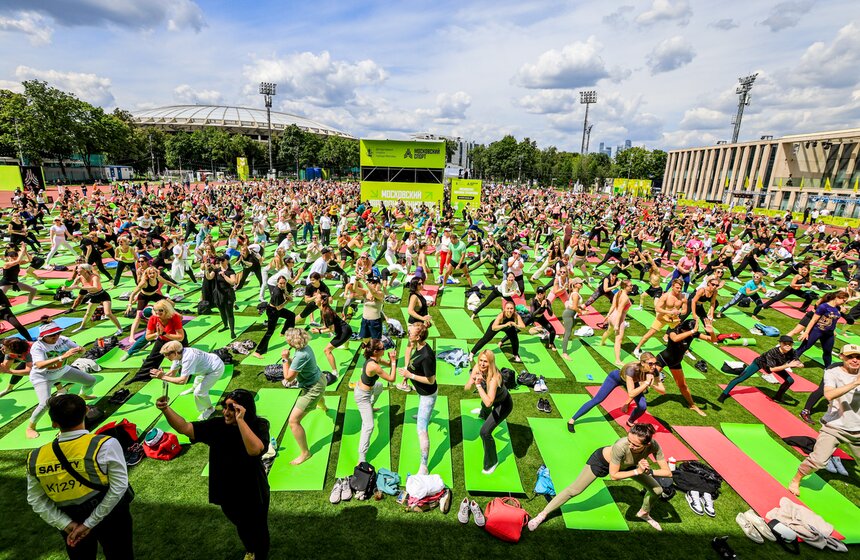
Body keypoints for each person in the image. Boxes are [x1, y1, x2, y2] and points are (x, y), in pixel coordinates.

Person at [157, 389, 270, 560]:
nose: (226, 412)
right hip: (226, 489)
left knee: (258, 527)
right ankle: (251, 550)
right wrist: (165, 409)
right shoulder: (217, 426)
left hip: (253, 488)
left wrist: (240, 420)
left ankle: (260, 555)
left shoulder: (259, 425)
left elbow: (254, 450)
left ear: (244, 409)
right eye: (225, 407)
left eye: (232, 408)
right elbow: (185, 428)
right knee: (242, 525)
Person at [26, 394, 134, 559]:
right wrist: (89, 523)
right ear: (87, 411)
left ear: (54, 423)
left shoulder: (35, 457)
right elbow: (119, 487)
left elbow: (36, 499)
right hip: (111, 514)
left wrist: (66, 524)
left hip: (69, 519)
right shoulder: (105, 444)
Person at [528, 423, 671, 532]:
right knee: (574, 490)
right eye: (629, 440)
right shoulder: (621, 446)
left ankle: (644, 513)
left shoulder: (653, 446)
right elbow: (614, 475)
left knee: (657, 490)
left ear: (647, 444)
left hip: (630, 466)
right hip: (601, 463)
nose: (630, 445)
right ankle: (542, 515)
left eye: (635, 445)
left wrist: (649, 471)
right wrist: (638, 471)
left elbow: (667, 472)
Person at [788, 344, 860, 496]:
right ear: (842, 357)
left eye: (858, 357)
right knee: (818, 461)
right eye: (850, 357)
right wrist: (855, 383)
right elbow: (828, 395)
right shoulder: (832, 372)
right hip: (834, 427)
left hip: (857, 429)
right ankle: (796, 479)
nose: (855, 360)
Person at [26, 321, 93, 439]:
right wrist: (63, 356)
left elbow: (82, 350)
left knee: (90, 380)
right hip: (43, 377)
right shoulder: (38, 346)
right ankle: (30, 427)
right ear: (43, 336)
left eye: (58, 333)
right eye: (52, 335)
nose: (56, 336)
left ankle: (82, 395)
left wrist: (81, 350)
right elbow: (40, 365)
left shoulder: (63, 339)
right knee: (45, 404)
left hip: (62, 371)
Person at [566, 354, 664, 433]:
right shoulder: (632, 369)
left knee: (642, 406)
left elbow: (663, 391)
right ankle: (572, 420)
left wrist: (652, 384)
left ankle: (630, 421)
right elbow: (631, 393)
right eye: (650, 364)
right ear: (642, 363)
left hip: (633, 382)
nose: (654, 366)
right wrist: (646, 383)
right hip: (615, 378)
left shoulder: (653, 371)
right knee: (598, 399)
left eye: (655, 363)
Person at [282, 328, 328, 465]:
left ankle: (305, 453)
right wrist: (290, 360)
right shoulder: (306, 348)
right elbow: (298, 364)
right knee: (319, 397)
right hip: (320, 379)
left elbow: (288, 378)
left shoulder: (301, 355)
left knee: (293, 421)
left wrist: (285, 360)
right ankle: (324, 407)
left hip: (313, 388)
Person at [464, 350, 513, 475]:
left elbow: (488, 402)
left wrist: (478, 385)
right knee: (484, 405)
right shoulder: (478, 367)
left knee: (484, 432)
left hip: (503, 404)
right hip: (492, 399)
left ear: (491, 363)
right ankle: (483, 415)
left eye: (485, 361)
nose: (482, 364)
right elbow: (467, 388)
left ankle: (492, 462)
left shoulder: (494, 378)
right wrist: (472, 379)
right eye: (480, 360)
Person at [398, 322, 437, 474]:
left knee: (421, 429)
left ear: (419, 336)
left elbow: (431, 380)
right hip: (422, 393)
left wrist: (410, 375)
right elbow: (414, 363)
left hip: (428, 395)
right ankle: (424, 415)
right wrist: (407, 376)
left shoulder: (427, 356)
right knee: (422, 413)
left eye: (411, 333)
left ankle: (424, 465)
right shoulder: (419, 346)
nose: (408, 334)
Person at [656, 318, 717, 416]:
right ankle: (632, 394)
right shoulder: (673, 330)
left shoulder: (692, 333)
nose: (692, 335)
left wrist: (712, 332)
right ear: (684, 328)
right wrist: (692, 331)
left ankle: (692, 405)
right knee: (647, 378)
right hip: (663, 359)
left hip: (675, 362)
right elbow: (675, 339)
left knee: (683, 386)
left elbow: (713, 340)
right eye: (691, 332)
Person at [151, 341, 225, 420]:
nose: (165, 357)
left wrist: (162, 377)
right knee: (196, 383)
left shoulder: (188, 358)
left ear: (175, 353)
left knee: (199, 392)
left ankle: (210, 409)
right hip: (205, 368)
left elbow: (182, 381)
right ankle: (193, 389)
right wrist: (162, 374)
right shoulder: (179, 354)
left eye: (167, 354)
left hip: (215, 369)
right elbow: (172, 374)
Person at [719, 335, 802, 404]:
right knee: (741, 378)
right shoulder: (772, 352)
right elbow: (771, 369)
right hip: (760, 363)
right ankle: (724, 394)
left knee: (790, 380)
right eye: (785, 343)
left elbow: (798, 362)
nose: (788, 346)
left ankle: (778, 397)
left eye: (790, 344)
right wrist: (788, 365)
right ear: (780, 343)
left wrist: (800, 364)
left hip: (777, 366)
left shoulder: (792, 351)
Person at [354, 340, 397, 464]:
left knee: (379, 387)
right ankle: (361, 458)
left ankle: (371, 406)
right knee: (369, 426)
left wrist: (391, 360)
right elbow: (392, 379)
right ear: (376, 351)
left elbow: (388, 365)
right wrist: (394, 362)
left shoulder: (376, 359)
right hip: (362, 396)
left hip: (370, 388)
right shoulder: (373, 365)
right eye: (383, 348)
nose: (385, 349)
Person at [633, 279, 686, 357]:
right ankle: (637, 348)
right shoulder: (666, 296)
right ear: (672, 287)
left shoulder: (683, 297)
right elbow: (657, 308)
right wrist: (669, 312)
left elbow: (685, 311)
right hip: (662, 317)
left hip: (674, 318)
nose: (679, 290)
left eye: (680, 288)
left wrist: (679, 312)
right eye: (677, 288)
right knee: (651, 333)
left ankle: (684, 351)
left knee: (681, 334)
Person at [69, 264, 123, 336]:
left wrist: (80, 287)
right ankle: (82, 326)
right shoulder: (79, 278)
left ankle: (120, 329)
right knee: (88, 313)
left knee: (108, 313)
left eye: (78, 268)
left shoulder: (94, 277)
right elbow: (72, 287)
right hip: (94, 296)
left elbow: (95, 288)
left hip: (103, 295)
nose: (76, 270)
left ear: (85, 270)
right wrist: (65, 288)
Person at [311, 292, 352, 379]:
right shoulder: (324, 309)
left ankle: (335, 372)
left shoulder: (326, 312)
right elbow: (327, 325)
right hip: (345, 328)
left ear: (322, 301)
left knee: (327, 350)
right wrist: (318, 328)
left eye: (317, 298)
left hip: (344, 332)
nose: (315, 299)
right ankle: (346, 346)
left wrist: (319, 332)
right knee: (344, 337)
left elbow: (331, 329)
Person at [253, 275, 295, 358]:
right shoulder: (277, 293)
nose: (282, 285)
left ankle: (284, 332)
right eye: (280, 283)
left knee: (291, 315)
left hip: (277, 309)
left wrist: (287, 295)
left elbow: (287, 293)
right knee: (270, 332)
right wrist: (287, 301)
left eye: (284, 283)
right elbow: (278, 307)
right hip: (273, 311)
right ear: (277, 283)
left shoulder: (284, 287)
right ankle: (258, 351)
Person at [601, 280, 633, 367]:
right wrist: (616, 325)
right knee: (618, 340)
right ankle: (618, 360)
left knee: (608, 331)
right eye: (630, 285)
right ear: (625, 286)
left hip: (612, 316)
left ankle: (602, 342)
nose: (632, 287)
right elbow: (619, 311)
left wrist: (608, 315)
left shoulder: (618, 293)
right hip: (618, 319)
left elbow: (613, 305)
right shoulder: (625, 298)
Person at [208, 255, 238, 338]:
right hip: (218, 294)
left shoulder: (230, 271)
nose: (220, 262)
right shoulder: (216, 270)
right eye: (220, 260)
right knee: (222, 312)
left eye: (222, 260)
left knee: (229, 313)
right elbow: (209, 277)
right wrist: (206, 269)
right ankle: (225, 326)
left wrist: (224, 275)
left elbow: (233, 282)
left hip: (228, 294)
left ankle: (232, 331)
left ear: (227, 261)